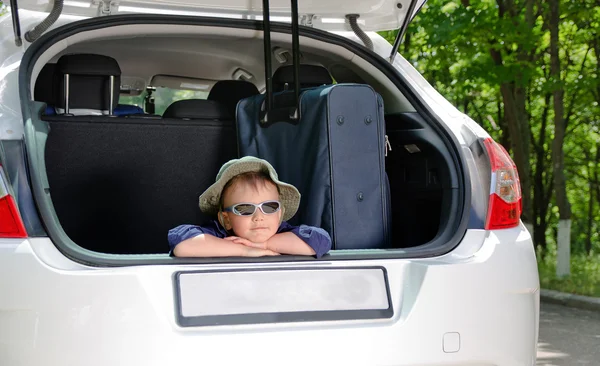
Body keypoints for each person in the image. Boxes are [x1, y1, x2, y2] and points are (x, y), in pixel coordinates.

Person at [168, 156, 332, 258]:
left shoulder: (284, 233)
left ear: (279, 214)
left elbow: (321, 241)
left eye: (269, 207)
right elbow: (182, 244)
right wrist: (244, 251)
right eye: (245, 209)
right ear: (226, 219)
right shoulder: (219, 234)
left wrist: (265, 245)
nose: (259, 216)